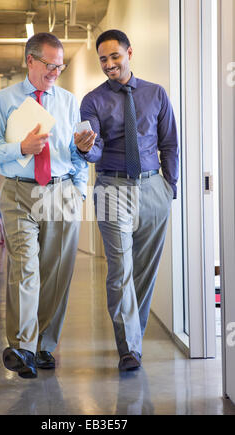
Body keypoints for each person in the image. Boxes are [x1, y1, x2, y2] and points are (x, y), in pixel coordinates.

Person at [0, 33, 90, 379]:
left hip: (60, 193)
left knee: (56, 273)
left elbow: (75, 155)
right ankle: (23, 348)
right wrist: (21, 149)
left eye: (60, 66)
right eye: (50, 65)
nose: (56, 71)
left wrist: (79, 190)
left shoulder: (69, 101)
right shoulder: (5, 99)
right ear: (30, 60)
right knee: (25, 268)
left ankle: (44, 345)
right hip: (17, 192)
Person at [74, 29, 179, 371]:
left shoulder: (156, 94)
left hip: (153, 189)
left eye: (114, 56)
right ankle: (129, 350)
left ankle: (133, 338)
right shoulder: (92, 100)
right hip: (110, 187)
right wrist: (86, 147)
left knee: (143, 274)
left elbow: (170, 144)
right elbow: (95, 148)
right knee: (120, 269)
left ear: (129, 53)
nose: (109, 64)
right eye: (103, 59)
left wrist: (170, 187)